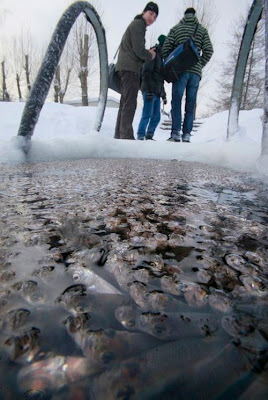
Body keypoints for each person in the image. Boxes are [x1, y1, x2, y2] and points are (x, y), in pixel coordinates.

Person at [162, 7, 213, 143]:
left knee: (176, 101)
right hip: (195, 74)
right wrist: (198, 65)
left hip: (179, 71)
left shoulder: (176, 29)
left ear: (184, 16)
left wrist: (174, 63)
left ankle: (175, 133)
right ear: (194, 16)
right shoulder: (202, 30)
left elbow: (166, 49)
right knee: (191, 103)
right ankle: (187, 134)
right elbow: (209, 50)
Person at [114, 2, 158, 140]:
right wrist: (150, 54)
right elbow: (139, 50)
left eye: (155, 17)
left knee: (125, 102)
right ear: (144, 12)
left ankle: (119, 136)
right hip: (130, 69)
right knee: (130, 103)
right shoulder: (138, 24)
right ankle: (126, 136)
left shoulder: (136, 25)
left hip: (124, 68)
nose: (152, 18)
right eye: (150, 14)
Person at [137, 35, 167, 141]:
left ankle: (149, 135)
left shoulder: (161, 58)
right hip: (149, 90)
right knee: (147, 114)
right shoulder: (153, 54)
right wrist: (148, 90)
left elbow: (160, 78)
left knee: (157, 117)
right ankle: (140, 135)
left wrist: (163, 96)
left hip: (157, 91)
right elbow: (146, 72)